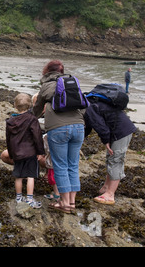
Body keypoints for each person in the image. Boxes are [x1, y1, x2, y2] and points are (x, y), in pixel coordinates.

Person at [33, 60, 85, 214]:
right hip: (78, 127)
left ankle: (64, 203)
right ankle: (72, 203)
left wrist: (29, 119)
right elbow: (83, 106)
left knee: (60, 166)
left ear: (46, 71)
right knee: (73, 166)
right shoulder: (72, 83)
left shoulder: (46, 85)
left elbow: (37, 109)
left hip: (58, 129)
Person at [84, 93, 137, 205]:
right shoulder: (91, 103)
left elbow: (100, 126)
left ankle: (110, 194)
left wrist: (106, 141)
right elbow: (88, 126)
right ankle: (106, 187)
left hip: (121, 131)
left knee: (115, 159)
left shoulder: (88, 107)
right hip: (117, 129)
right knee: (110, 158)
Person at [0, 93, 45, 208]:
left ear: (15, 106)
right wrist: (40, 152)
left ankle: (19, 197)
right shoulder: (32, 119)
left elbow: (8, 139)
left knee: (18, 176)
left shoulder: (11, 121)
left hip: (17, 153)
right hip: (30, 152)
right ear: (30, 106)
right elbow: (37, 137)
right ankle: (29, 198)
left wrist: (11, 152)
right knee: (30, 176)